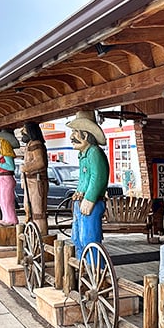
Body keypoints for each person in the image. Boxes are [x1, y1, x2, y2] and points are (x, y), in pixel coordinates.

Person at [66, 111, 109, 258]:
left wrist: (90, 198)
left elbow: (98, 177)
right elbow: (84, 179)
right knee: (77, 238)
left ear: (87, 134)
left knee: (89, 239)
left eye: (76, 132)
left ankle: (94, 271)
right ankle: (82, 268)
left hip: (91, 203)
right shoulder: (84, 154)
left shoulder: (94, 152)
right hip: (80, 201)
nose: (72, 136)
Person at [20, 122, 49, 234]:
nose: (22, 132)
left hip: (36, 181)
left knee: (37, 211)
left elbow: (40, 162)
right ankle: (33, 234)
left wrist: (26, 167)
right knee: (29, 209)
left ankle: (40, 235)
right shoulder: (31, 144)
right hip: (31, 181)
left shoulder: (36, 144)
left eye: (24, 129)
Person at [0, 129, 20, 226]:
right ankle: (5, 217)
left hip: (6, 178)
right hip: (1, 178)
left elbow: (11, 167)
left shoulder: (7, 156)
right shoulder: (2, 155)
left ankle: (11, 219)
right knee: (0, 199)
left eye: (0, 142)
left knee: (6, 200)